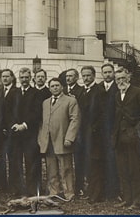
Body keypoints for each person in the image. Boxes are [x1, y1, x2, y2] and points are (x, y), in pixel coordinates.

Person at [38, 78, 80, 201]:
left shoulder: (70, 101)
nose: (55, 88)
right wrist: (41, 138)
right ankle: (54, 191)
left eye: (57, 85)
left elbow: (75, 120)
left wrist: (69, 138)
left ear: (62, 87)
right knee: (51, 168)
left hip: (62, 139)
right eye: (52, 86)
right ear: (49, 88)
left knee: (65, 168)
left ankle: (69, 192)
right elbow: (42, 122)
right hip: (48, 140)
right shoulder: (45, 102)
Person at [112, 67, 140, 210]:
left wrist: (136, 130)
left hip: (133, 138)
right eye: (118, 79)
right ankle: (127, 199)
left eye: (123, 78)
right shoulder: (117, 94)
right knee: (123, 170)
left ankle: (138, 200)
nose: (121, 81)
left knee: (134, 169)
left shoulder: (139, 92)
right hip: (119, 138)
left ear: (129, 79)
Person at [7, 67, 42, 196]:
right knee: (15, 162)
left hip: (30, 134)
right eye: (22, 78)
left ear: (30, 78)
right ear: (18, 78)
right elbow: (7, 112)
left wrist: (25, 125)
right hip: (15, 133)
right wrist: (14, 125)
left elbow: (37, 112)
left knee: (31, 161)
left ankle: (32, 190)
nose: (24, 80)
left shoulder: (36, 93)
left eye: (27, 77)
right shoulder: (13, 92)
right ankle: (16, 189)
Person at [96, 63, 120, 202]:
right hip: (100, 132)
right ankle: (104, 190)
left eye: (109, 72)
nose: (107, 74)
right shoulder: (98, 88)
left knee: (114, 162)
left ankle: (115, 191)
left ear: (113, 73)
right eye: (105, 72)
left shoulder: (118, 87)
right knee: (102, 161)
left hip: (114, 129)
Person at [78, 66, 102, 202]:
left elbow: (103, 114)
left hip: (95, 134)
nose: (86, 78)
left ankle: (96, 194)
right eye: (84, 76)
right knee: (87, 163)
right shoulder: (81, 91)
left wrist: (94, 129)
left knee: (95, 164)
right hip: (83, 134)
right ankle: (90, 191)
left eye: (88, 75)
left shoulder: (99, 91)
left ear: (93, 76)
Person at [63, 68, 85, 197]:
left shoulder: (81, 91)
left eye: (71, 76)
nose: (68, 78)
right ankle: (67, 186)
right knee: (65, 159)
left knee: (78, 160)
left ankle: (79, 186)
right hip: (64, 129)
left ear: (76, 78)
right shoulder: (63, 90)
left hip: (77, 131)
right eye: (67, 76)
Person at [0, 68, 19, 193]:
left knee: (14, 159)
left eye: (7, 76)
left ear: (12, 77)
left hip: (14, 131)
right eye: (3, 77)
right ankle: (2, 185)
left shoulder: (17, 92)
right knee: (1, 159)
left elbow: (18, 112)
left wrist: (10, 127)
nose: (5, 79)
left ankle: (14, 186)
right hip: (1, 132)